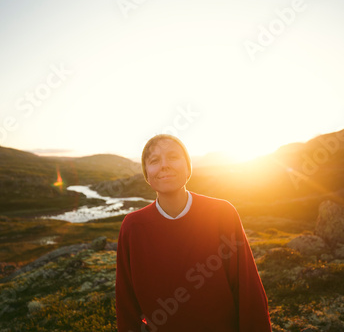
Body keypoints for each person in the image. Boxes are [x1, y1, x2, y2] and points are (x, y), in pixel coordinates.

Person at [115, 134, 271, 332]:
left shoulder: (222, 214)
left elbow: (249, 291)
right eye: (154, 160)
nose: (164, 165)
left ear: (188, 167)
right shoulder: (133, 226)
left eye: (173, 157)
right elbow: (126, 303)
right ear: (147, 174)